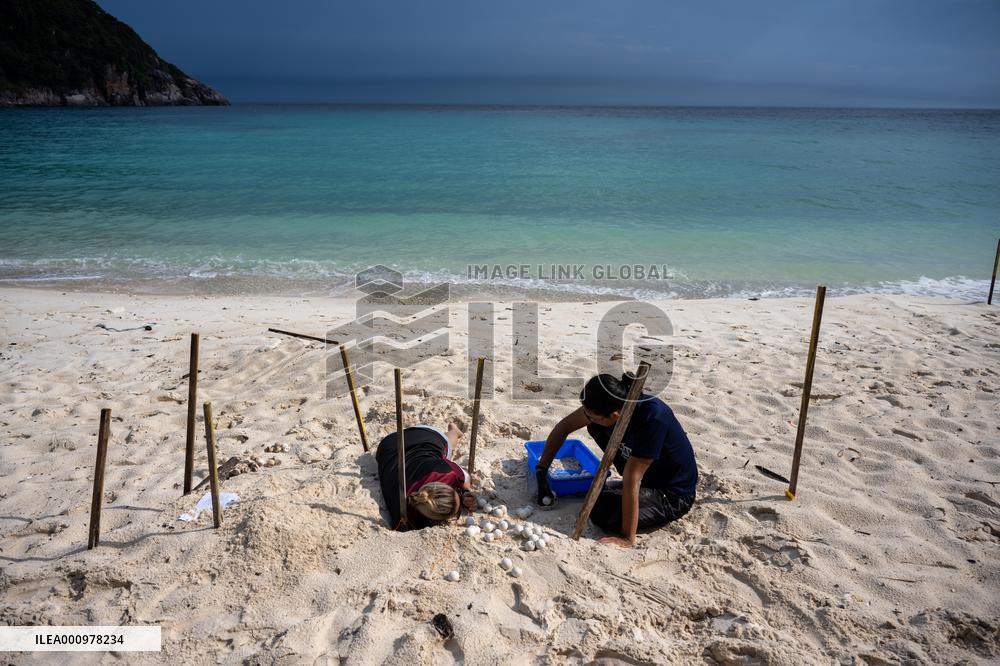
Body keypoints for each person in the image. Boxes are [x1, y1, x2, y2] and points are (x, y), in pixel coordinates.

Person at [535, 373, 698, 548]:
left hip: (672, 494)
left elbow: (632, 478)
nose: (586, 417)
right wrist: (541, 470)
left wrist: (627, 538)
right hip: (644, 478)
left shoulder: (652, 418)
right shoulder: (610, 403)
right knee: (594, 490)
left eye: (592, 416)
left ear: (614, 415)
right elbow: (564, 427)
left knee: (601, 512)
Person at [376, 422, 477, 529]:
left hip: (403, 441)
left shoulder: (446, 472)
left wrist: (466, 491)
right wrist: (465, 491)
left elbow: (465, 476)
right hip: (388, 447)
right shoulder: (404, 518)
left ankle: (450, 431)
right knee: (447, 446)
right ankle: (451, 431)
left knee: (446, 446)